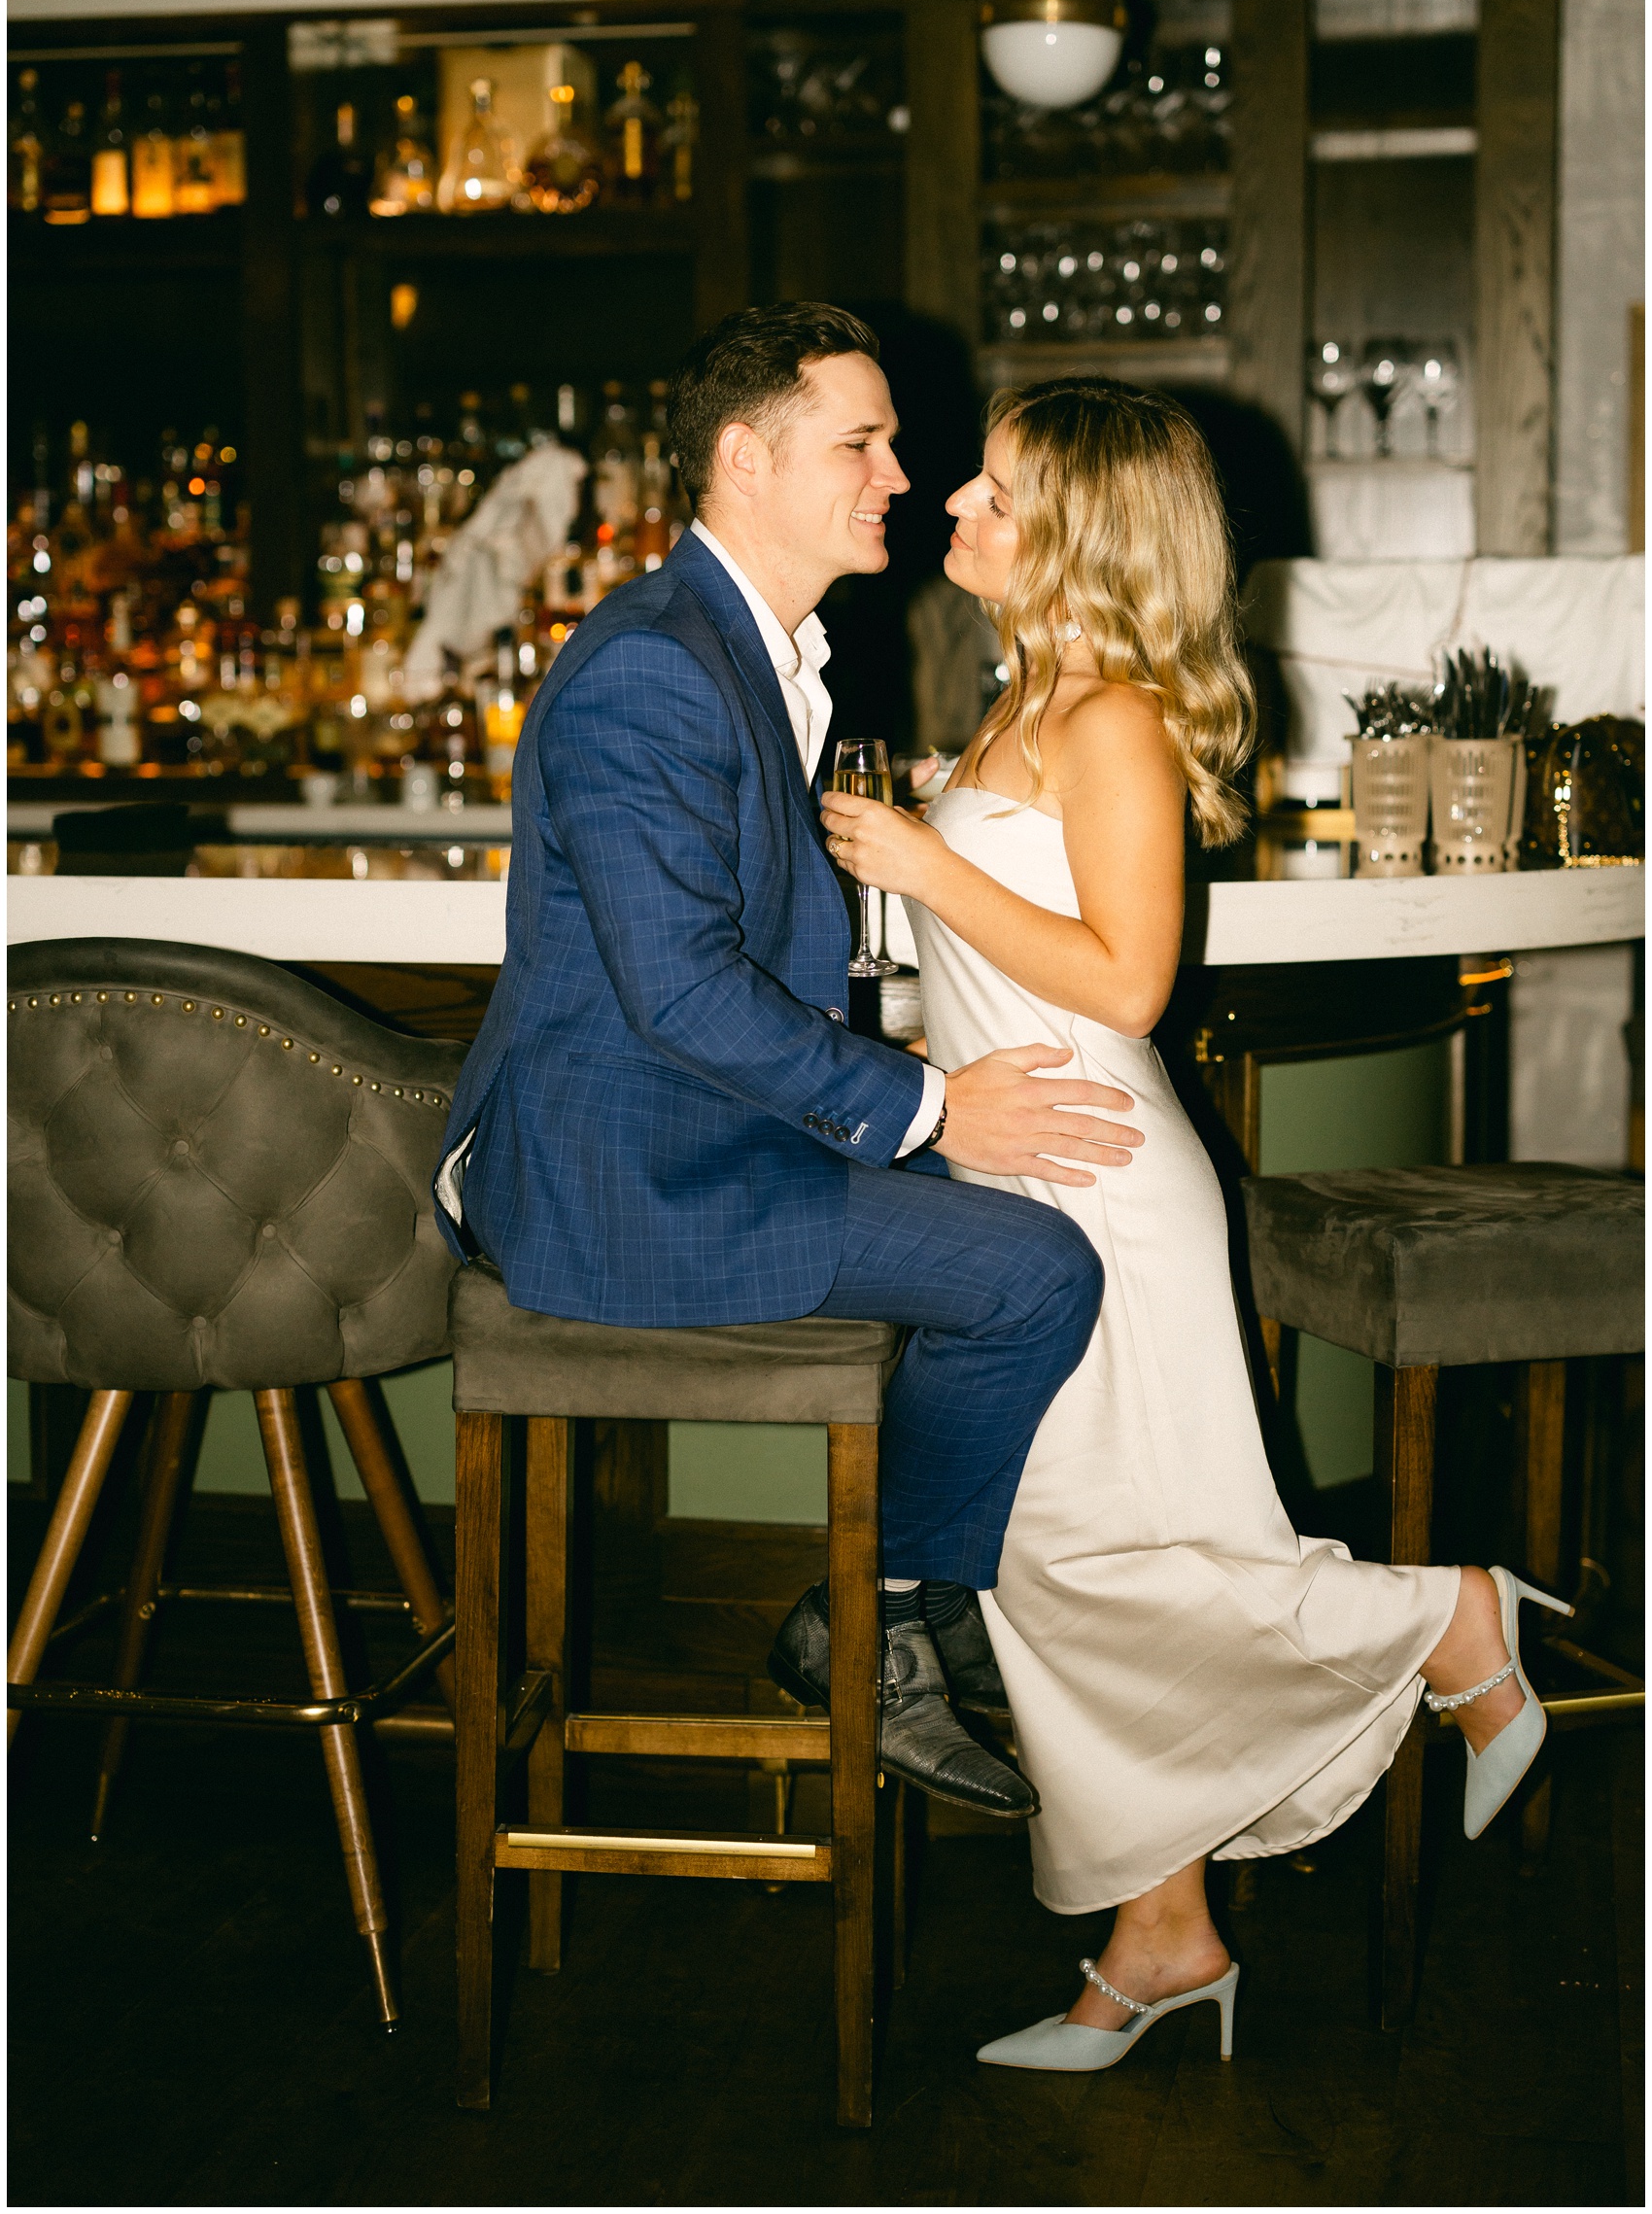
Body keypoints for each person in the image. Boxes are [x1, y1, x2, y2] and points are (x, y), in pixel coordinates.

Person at [820, 377, 1570, 2069]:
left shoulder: (1113, 720)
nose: (950, 504)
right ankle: (1161, 1934)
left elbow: (1135, 981)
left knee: (1074, 1559)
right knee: (1057, 1576)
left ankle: (1445, 1618)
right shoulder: (1022, 703)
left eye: (992, 491)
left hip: (1099, 1190)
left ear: (1075, 530)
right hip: (1014, 1169)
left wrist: (930, 869)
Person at [432, 306, 1148, 1818]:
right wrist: (939, 1106)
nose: (901, 471)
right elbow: (684, 992)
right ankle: (881, 1621)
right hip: (623, 1180)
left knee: (1037, 1247)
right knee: (1036, 1276)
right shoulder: (655, 667)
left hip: (693, 1141)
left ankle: (900, 1597)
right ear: (744, 459)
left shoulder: (753, 649)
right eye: (864, 442)